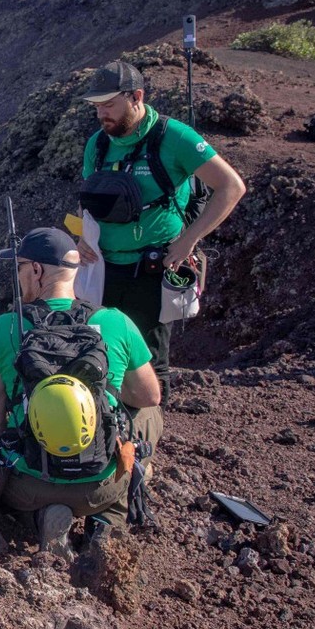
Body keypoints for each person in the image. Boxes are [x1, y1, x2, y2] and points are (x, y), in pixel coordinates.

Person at [0, 227, 163, 553]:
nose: (18, 277)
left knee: (8, 473)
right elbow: (149, 395)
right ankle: (106, 526)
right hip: (101, 485)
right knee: (150, 413)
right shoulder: (115, 322)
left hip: (30, 484)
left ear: (36, 269)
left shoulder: (2, 328)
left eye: (20, 267)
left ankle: (40, 519)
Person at [75, 61, 246, 387]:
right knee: (100, 354)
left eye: (109, 104)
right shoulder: (97, 144)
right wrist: (83, 234)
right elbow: (88, 198)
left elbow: (231, 187)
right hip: (102, 271)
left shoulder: (173, 137)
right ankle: (111, 433)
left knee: (148, 364)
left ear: (136, 96)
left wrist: (189, 241)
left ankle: (146, 435)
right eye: (97, 106)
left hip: (152, 270)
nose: (101, 114)